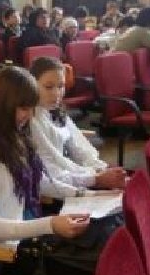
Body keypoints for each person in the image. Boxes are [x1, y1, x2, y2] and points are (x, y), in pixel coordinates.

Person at [0, 66, 95, 275]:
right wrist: (51, 224)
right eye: (23, 108)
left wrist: (84, 194)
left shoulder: (8, 134)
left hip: (25, 232)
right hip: (3, 254)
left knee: (100, 237)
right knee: (96, 270)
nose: (29, 115)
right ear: (2, 103)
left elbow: (39, 182)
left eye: (31, 108)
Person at [29, 57, 126, 190]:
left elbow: (79, 148)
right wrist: (96, 178)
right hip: (60, 186)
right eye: (49, 87)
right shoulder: (33, 120)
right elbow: (53, 173)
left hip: (76, 176)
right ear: (32, 85)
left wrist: (100, 168)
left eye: (61, 86)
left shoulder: (55, 110)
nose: (57, 93)